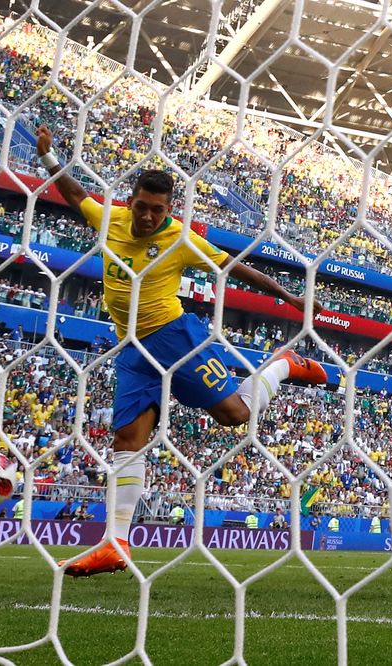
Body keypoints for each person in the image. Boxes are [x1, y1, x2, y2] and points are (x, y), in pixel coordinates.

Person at [37, 126, 328, 577]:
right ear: (130, 201)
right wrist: (50, 157)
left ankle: (284, 366)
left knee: (234, 415)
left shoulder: (180, 238)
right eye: (142, 207)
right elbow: (75, 195)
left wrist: (288, 298)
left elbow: (234, 268)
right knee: (128, 439)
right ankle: (116, 543)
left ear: (169, 210)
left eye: (158, 210)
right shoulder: (109, 219)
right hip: (131, 350)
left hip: (176, 338)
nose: (148, 217)